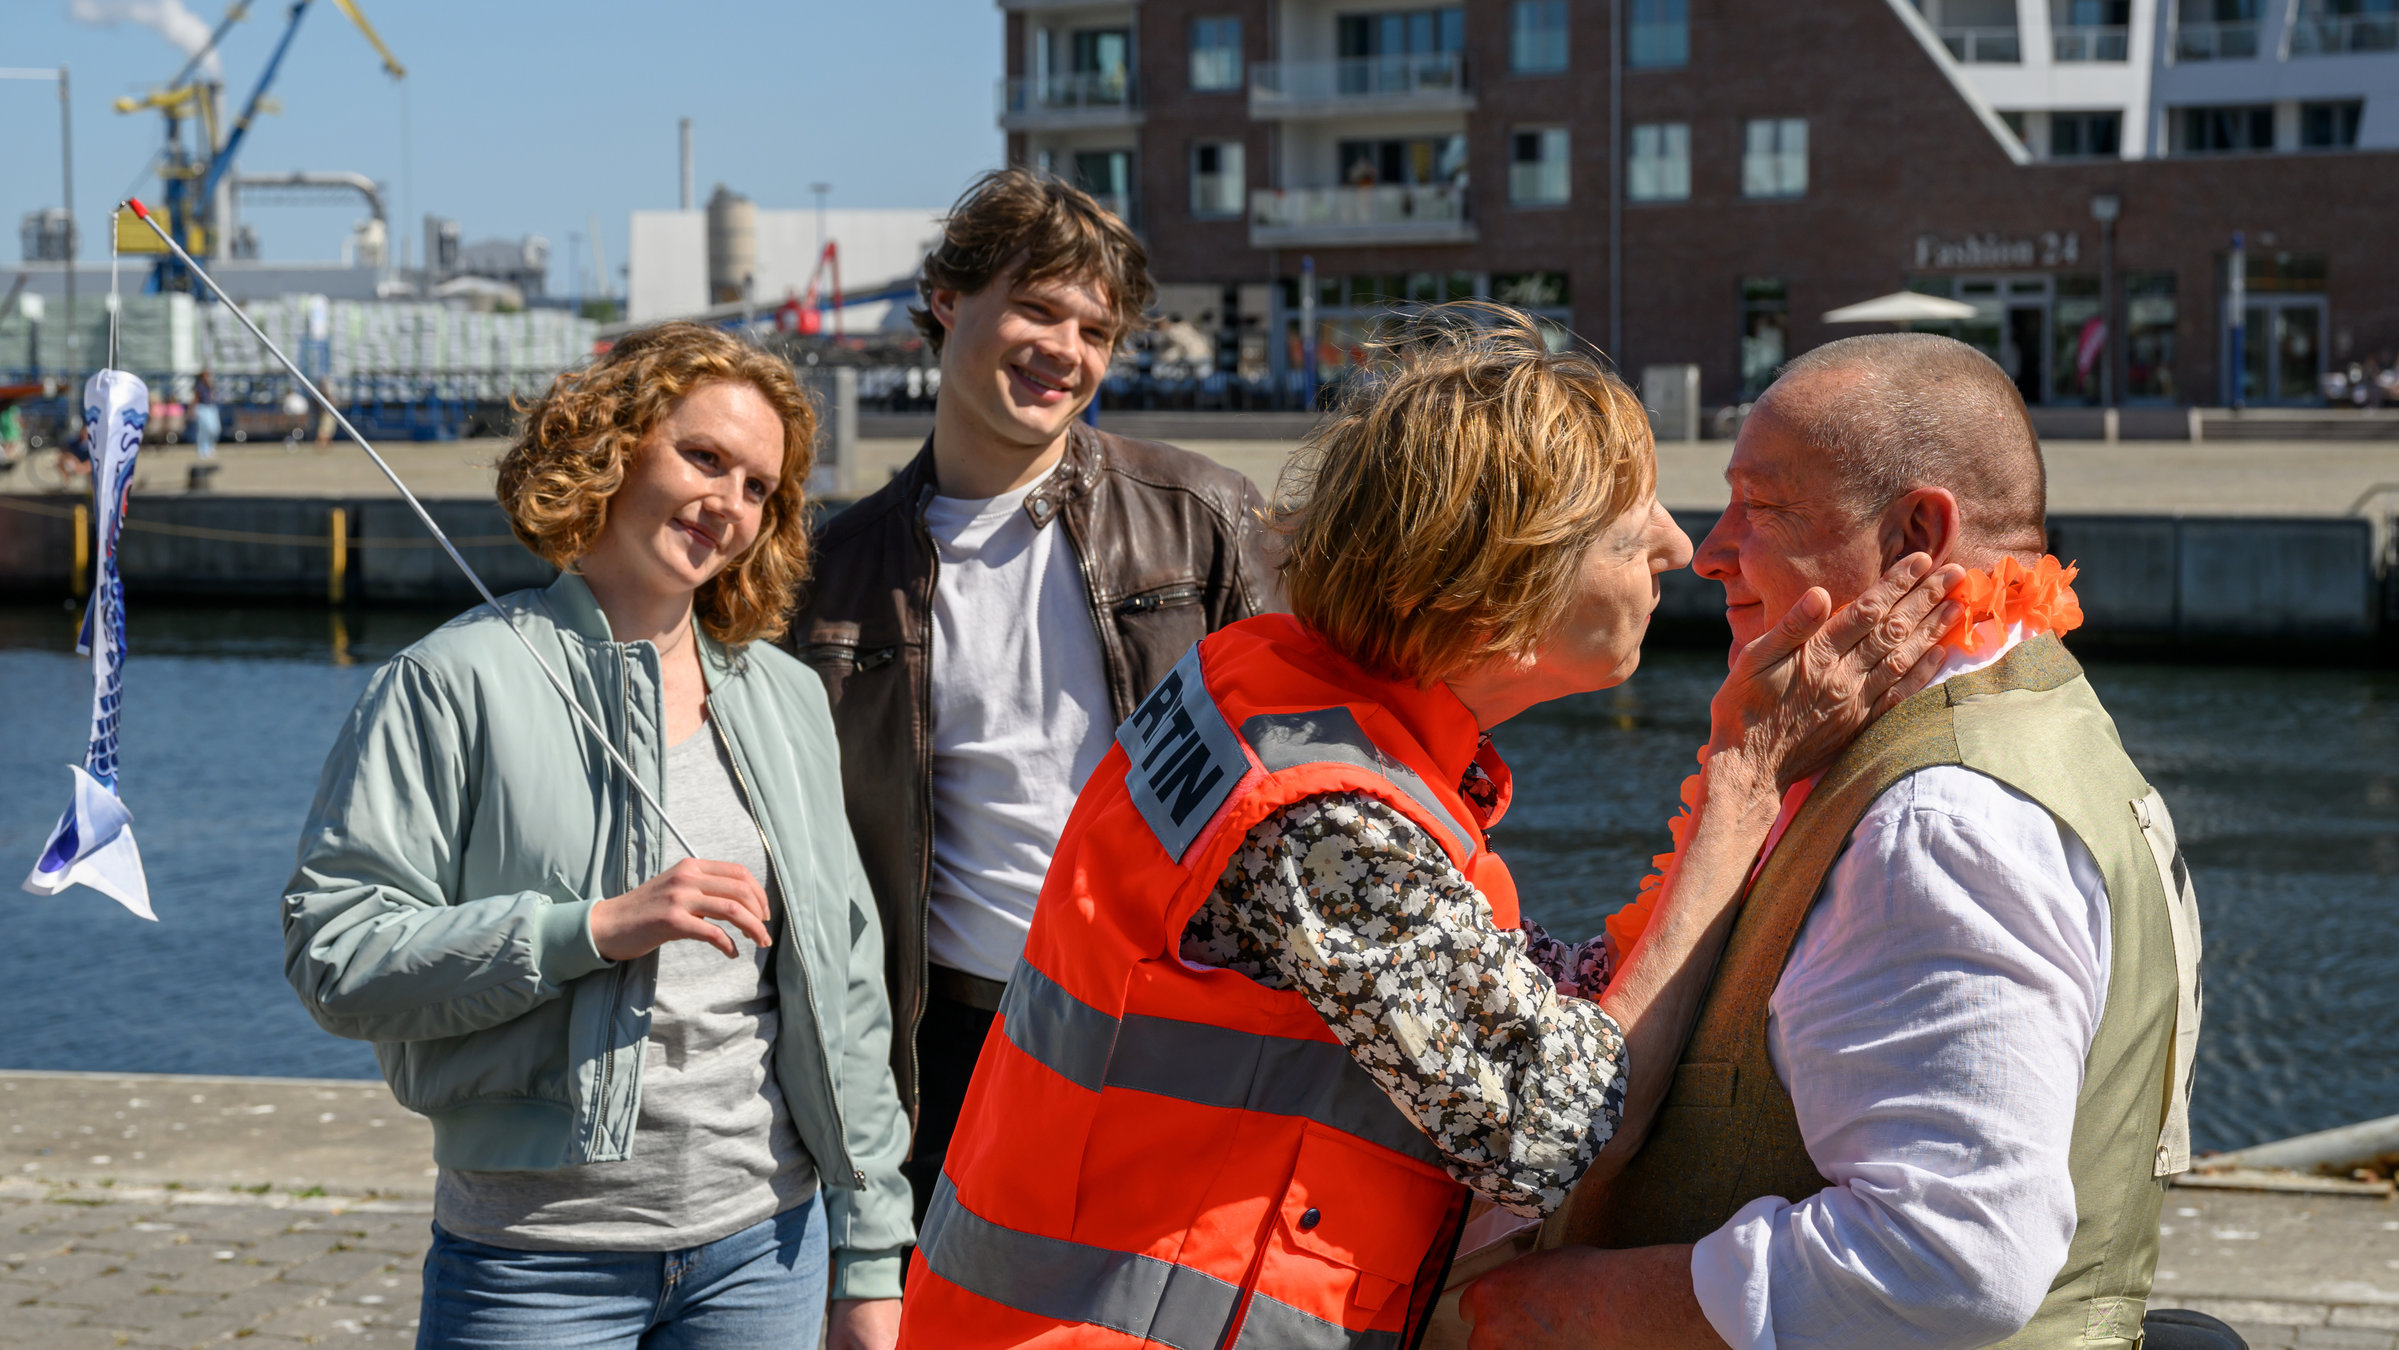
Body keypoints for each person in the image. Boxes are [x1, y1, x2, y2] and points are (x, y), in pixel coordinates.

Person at [898, 309, 1965, 1346]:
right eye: (1627, 520)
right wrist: (1741, 788)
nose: (1677, 548)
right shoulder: (1318, 816)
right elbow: (1551, 1127)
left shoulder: (1264, 697)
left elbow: (1503, 996)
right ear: (1500, 583)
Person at [1463, 333, 2216, 1350]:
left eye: (1761, 507)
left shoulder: (1938, 824)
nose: (1708, 548)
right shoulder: (2040, 722)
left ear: (1916, 532)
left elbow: (1949, 1257)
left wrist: (1572, 1307)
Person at [283, 323, 911, 1349]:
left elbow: (844, 990)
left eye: (759, 487)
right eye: (703, 458)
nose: (728, 504)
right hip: (533, 1260)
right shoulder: (452, 683)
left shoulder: (788, 697)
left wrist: (870, 1251)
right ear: (613, 447)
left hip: (768, 1250)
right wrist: (593, 929)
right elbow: (335, 954)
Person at [784, 168, 1277, 1226]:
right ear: (946, 300)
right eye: (1038, 308)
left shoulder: (1205, 519)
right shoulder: (828, 573)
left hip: (1170, 1020)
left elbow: (1317, 768)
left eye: (1095, 330)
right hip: (946, 1041)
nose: (1067, 350)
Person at [190, 369, 220, 461]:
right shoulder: (199, 386)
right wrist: (191, 410)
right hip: (202, 408)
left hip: (211, 407)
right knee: (204, 429)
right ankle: (202, 449)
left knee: (215, 429)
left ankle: (210, 446)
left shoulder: (209, 386)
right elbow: (195, 398)